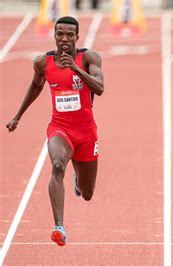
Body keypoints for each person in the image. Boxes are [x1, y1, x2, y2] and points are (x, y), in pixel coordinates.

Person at [6, 16, 104, 246]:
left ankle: (78, 179)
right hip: (60, 128)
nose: (64, 38)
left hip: (86, 133)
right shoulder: (43, 62)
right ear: (54, 36)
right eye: (60, 34)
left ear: (77, 37)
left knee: (87, 193)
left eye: (70, 34)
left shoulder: (89, 57)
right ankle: (59, 227)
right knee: (57, 165)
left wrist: (76, 70)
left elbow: (99, 88)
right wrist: (18, 116)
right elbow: (36, 85)